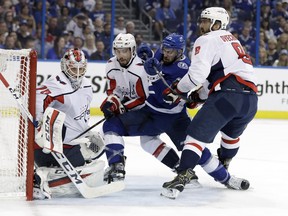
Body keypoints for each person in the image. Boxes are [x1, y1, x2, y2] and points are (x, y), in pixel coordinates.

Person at [101, 32, 245, 192]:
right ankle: (117, 166)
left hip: (175, 118)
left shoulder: (184, 69)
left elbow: (167, 98)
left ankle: (227, 178)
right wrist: (148, 58)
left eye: (170, 51)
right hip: (150, 113)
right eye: (164, 49)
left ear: (180, 52)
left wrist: (154, 77)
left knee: (197, 151)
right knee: (118, 128)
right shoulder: (162, 54)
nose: (166, 54)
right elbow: (152, 67)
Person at [160, 7, 258, 199]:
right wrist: (198, 97)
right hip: (251, 101)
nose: (201, 25)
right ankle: (224, 162)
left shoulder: (206, 39)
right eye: (201, 21)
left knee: (193, 137)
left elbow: (197, 75)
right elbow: (215, 76)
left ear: (217, 24)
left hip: (227, 97)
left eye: (206, 21)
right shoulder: (232, 40)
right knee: (230, 136)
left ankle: (183, 175)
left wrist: (178, 89)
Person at [33, 48, 105, 199]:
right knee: (90, 172)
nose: (77, 73)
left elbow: (82, 113)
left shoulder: (86, 85)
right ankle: (39, 177)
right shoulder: (57, 83)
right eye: (73, 68)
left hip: (72, 143)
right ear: (65, 66)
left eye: (81, 68)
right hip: (54, 147)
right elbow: (39, 97)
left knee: (100, 146)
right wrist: (39, 120)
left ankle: (44, 174)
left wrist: (86, 133)